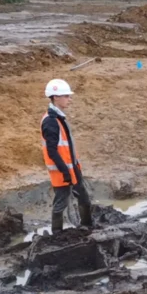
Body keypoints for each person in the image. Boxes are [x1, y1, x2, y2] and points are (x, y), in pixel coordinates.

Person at [41, 78, 93, 233]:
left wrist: (73, 168)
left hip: (72, 168)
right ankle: (56, 233)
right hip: (62, 171)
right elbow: (52, 151)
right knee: (60, 203)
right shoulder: (50, 121)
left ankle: (88, 227)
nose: (69, 99)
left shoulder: (58, 118)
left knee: (84, 198)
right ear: (55, 97)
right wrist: (65, 172)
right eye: (66, 96)